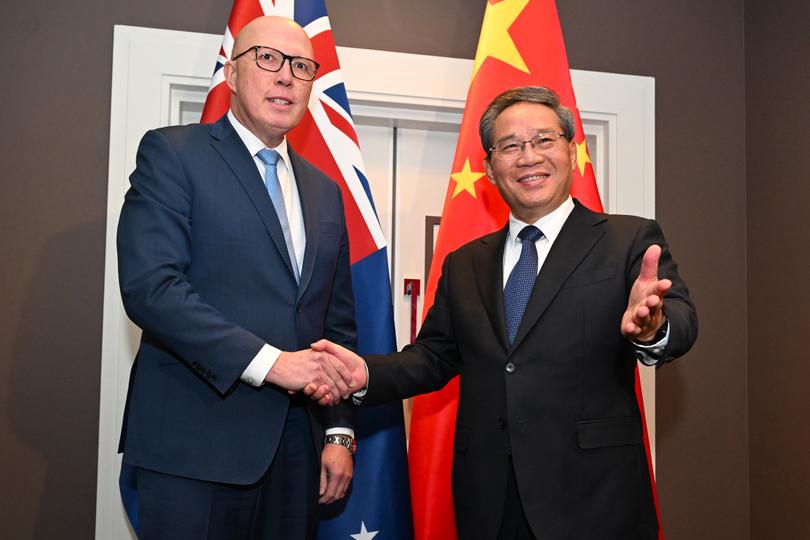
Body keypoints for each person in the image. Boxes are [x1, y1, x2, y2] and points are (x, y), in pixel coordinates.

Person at [313, 86, 698, 540]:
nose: (528, 156)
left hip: (596, 498)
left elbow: (682, 322)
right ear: (490, 170)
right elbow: (433, 357)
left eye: (544, 140)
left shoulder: (627, 239)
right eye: (510, 146)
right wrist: (364, 374)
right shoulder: (464, 262)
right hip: (490, 501)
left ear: (571, 153)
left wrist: (652, 328)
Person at [117, 16, 359, 540]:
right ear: (231, 74)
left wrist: (339, 431)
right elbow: (151, 289)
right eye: (267, 59)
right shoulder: (172, 154)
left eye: (300, 65)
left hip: (298, 456)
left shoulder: (325, 192)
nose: (285, 77)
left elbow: (334, 323)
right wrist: (274, 364)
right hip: (194, 447)